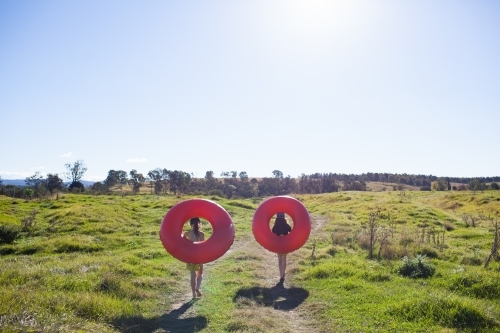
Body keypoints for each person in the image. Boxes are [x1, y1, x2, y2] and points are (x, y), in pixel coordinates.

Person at [183, 217, 205, 299]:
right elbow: (203, 246)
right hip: (199, 256)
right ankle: (197, 288)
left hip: (190, 256)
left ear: (190, 224)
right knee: (200, 273)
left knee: (192, 274)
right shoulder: (202, 234)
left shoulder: (187, 233)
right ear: (199, 224)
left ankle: (193, 294)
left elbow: (182, 243)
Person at [271, 212, 292, 284]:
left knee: (279, 259)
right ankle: (283, 273)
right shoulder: (286, 226)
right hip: (285, 244)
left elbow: (272, 233)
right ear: (284, 218)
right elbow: (291, 231)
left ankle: (280, 275)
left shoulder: (275, 226)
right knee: (284, 259)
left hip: (278, 245)